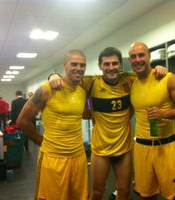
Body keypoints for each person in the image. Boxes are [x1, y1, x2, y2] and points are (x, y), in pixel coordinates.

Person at [48, 47, 167, 200]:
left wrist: (159, 68)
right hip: (100, 151)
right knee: (97, 192)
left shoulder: (130, 80)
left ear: (121, 65)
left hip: (124, 150)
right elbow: (69, 79)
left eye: (115, 63)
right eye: (106, 64)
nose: (111, 68)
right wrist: (53, 75)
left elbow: (147, 74)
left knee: (124, 191)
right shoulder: (91, 82)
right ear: (100, 66)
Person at [17, 49, 89, 200]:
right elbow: (22, 121)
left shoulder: (82, 91)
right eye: (74, 64)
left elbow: (86, 114)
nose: (78, 68)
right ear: (64, 65)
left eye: (82, 65)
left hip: (79, 156)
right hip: (54, 158)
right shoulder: (46, 89)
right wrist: (41, 141)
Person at [129, 42, 175, 200]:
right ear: (130, 61)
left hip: (167, 146)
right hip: (142, 148)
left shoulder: (167, 78)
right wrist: (53, 76)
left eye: (141, 55)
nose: (137, 59)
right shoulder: (131, 83)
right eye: (133, 56)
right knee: (146, 195)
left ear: (149, 56)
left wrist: (164, 114)